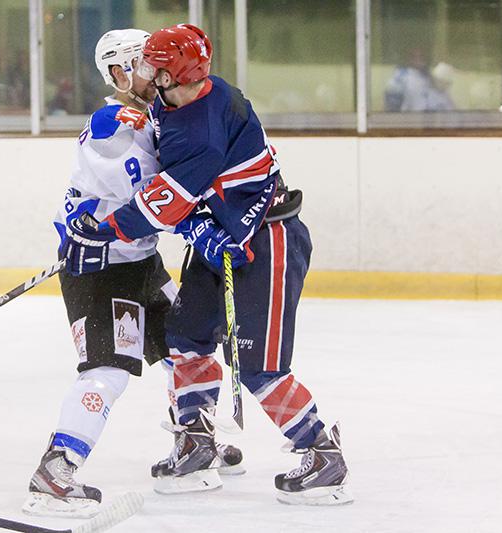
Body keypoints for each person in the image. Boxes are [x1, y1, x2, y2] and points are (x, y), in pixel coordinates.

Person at [62, 24, 352, 505]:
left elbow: (163, 204)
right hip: (221, 236)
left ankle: (322, 452)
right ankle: (196, 442)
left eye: (154, 67)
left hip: (265, 243)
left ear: (172, 75)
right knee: (184, 338)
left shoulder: (202, 133)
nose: (146, 74)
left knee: (258, 367)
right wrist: (199, 225)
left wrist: (105, 229)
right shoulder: (177, 99)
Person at [23, 29, 243, 519]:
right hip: (101, 267)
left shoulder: (157, 113)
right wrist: (196, 222)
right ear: (120, 74)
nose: (155, 73)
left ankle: (194, 440)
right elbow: (151, 193)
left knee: (183, 348)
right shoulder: (113, 121)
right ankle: (56, 470)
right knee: (108, 371)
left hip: (140, 262)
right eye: (143, 65)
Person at [384, 47, 455, 112]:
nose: (419, 59)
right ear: (407, 58)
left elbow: (448, 105)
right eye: (414, 56)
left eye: (422, 55)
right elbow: (392, 113)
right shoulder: (398, 81)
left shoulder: (432, 78)